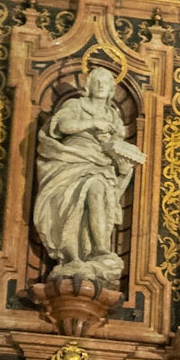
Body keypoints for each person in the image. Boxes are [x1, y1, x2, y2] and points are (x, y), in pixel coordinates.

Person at [31, 67, 144, 285]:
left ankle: (100, 248)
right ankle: (72, 256)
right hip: (70, 159)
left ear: (112, 89)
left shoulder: (114, 116)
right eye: (97, 81)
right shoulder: (75, 105)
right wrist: (92, 123)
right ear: (89, 85)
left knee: (97, 189)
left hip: (100, 163)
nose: (101, 85)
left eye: (106, 82)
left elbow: (118, 142)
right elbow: (62, 125)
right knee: (70, 202)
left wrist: (121, 160)